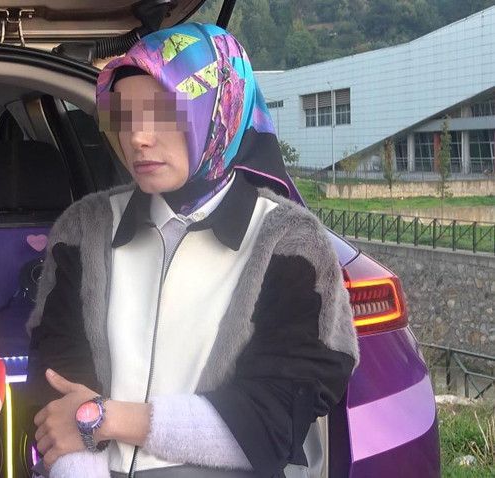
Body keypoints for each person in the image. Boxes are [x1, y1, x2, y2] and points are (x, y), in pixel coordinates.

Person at [22, 23, 359, 478]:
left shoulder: (288, 242)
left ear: (219, 110)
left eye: (162, 113)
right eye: (125, 116)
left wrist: (107, 419)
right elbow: (58, 378)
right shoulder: (83, 229)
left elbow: (273, 418)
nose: (137, 138)